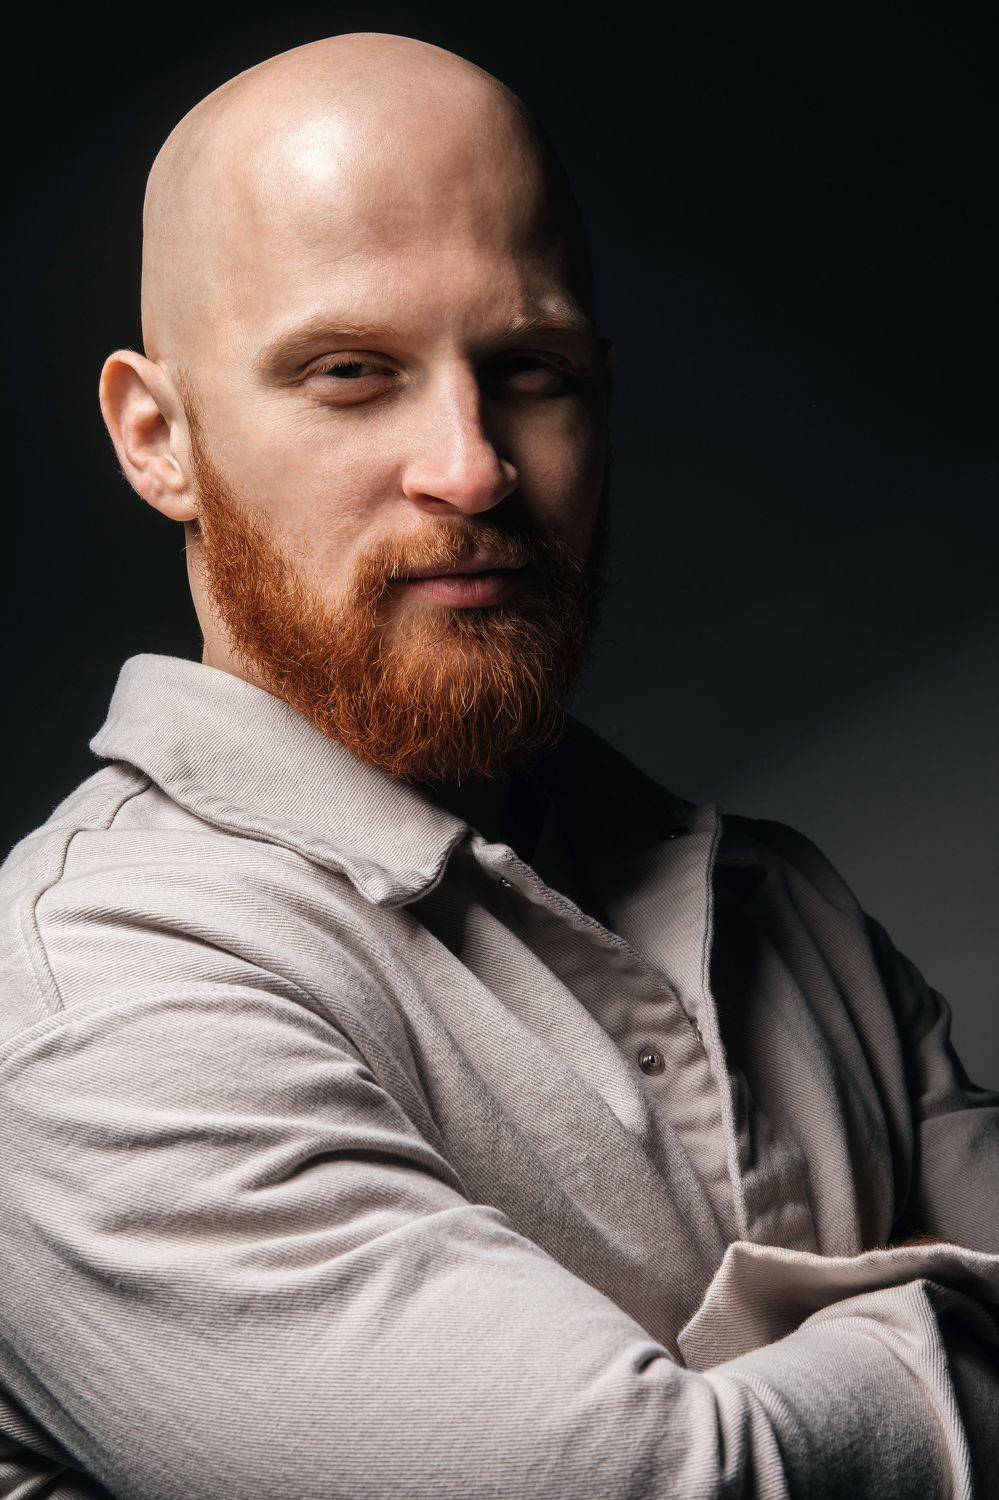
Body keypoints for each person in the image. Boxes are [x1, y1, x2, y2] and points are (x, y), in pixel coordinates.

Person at [1, 31, 996, 1500]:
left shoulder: (784, 903)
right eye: (351, 374)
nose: (472, 468)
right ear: (160, 439)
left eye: (530, 369)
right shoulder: (88, 1004)